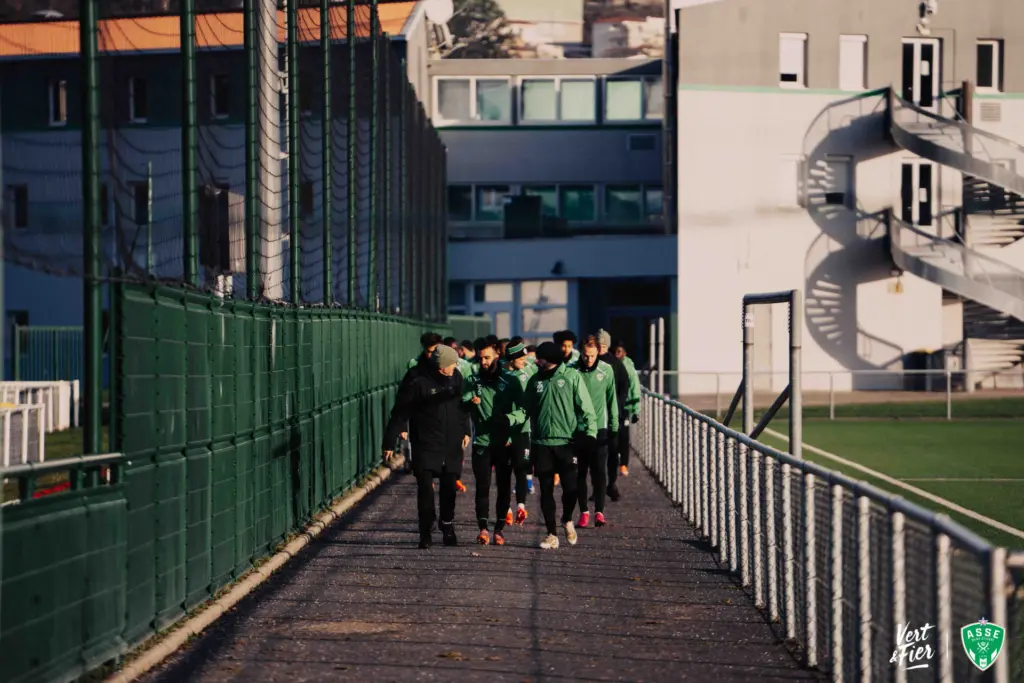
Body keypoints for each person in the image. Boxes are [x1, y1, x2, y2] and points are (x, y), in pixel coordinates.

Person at [506, 342, 596, 550]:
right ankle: (551, 534)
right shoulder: (535, 380)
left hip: (567, 443)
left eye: (540, 358)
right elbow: (525, 409)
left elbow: (587, 408)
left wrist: (590, 434)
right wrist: (508, 419)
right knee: (545, 490)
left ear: (550, 359)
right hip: (542, 444)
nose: (536, 361)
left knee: (571, 489)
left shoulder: (572, 377)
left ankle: (567, 519)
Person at [383, 345, 472, 549]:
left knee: (449, 488)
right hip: (426, 444)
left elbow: (462, 407)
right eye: (452, 364)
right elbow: (400, 412)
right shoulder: (419, 383)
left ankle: (447, 525)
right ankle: (425, 532)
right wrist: (389, 441)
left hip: (451, 444)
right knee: (425, 489)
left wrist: (466, 430)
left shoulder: (456, 378)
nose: (455, 367)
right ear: (441, 366)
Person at [463, 341, 513, 545]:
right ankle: (483, 528)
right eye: (481, 357)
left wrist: (511, 434)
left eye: (487, 357)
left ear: (496, 356)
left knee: (503, 487)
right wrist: (470, 401)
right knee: (482, 487)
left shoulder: (508, 380)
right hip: (482, 442)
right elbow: (462, 401)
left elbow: (521, 409)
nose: (483, 361)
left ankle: (499, 529)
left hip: (504, 443)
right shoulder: (473, 380)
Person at [575, 336, 618, 528]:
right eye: (585, 355)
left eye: (592, 355)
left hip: (600, 429)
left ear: (598, 353)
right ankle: (584, 511)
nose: (589, 359)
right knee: (580, 472)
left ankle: (599, 512)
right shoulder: (572, 371)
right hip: (578, 429)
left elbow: (612, 400)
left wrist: (614, 428)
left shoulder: (606, 370)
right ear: (580, 353)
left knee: (600, 472)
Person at [498, 340, 536, 524]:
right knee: (504, 472)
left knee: (521, 468)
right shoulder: (499, 373)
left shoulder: (530, 371)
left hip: (522, 429)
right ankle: (506, 509)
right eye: (521, 357)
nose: (525, 360)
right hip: (502, 430)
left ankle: (521, 506)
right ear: (512, 358)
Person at [596, 329, 630, 502]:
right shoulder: (590, 361)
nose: (600, 348)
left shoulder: (615, 363)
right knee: (597, 454)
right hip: (596, 415)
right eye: (598, 345)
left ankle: (612, 483)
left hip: (613, 413)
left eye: (603, 345)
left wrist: (619, 403)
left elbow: (625, 384)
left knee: (612, 450)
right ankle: (598, 487)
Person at [614, 340, 642, 477]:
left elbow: (635, 388)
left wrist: (636, 410)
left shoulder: (629, 368)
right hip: (612, 406)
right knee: (613, 435)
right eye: (615, 351)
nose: (617, 354)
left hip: (625, 407)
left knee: (624, 436)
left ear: (624, 353)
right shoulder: (610, 365)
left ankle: (623, 464)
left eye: (619, 351)